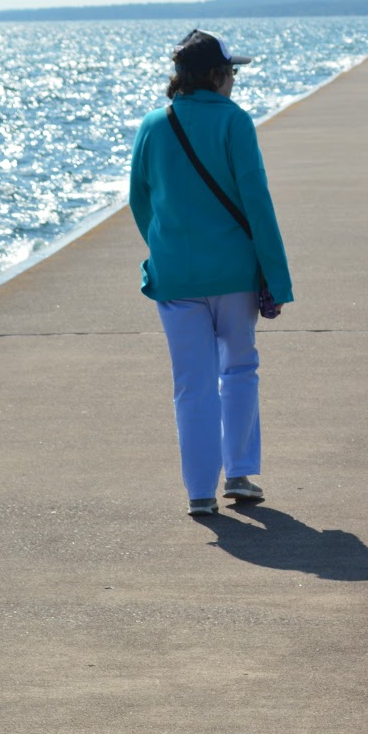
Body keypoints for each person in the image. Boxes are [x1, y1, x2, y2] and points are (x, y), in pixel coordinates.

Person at [129, 30, 294, 517]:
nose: (235, 80)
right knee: (239, 369)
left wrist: (165, 245)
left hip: (176, 275)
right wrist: (276, 279)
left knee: (191, 384)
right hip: (235, 274)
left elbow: (141, 200)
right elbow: (256, 204)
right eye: (233, 72)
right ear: (218, 75)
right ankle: (239, 474)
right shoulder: (235, 122)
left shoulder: (154, 125)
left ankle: (200, 492)